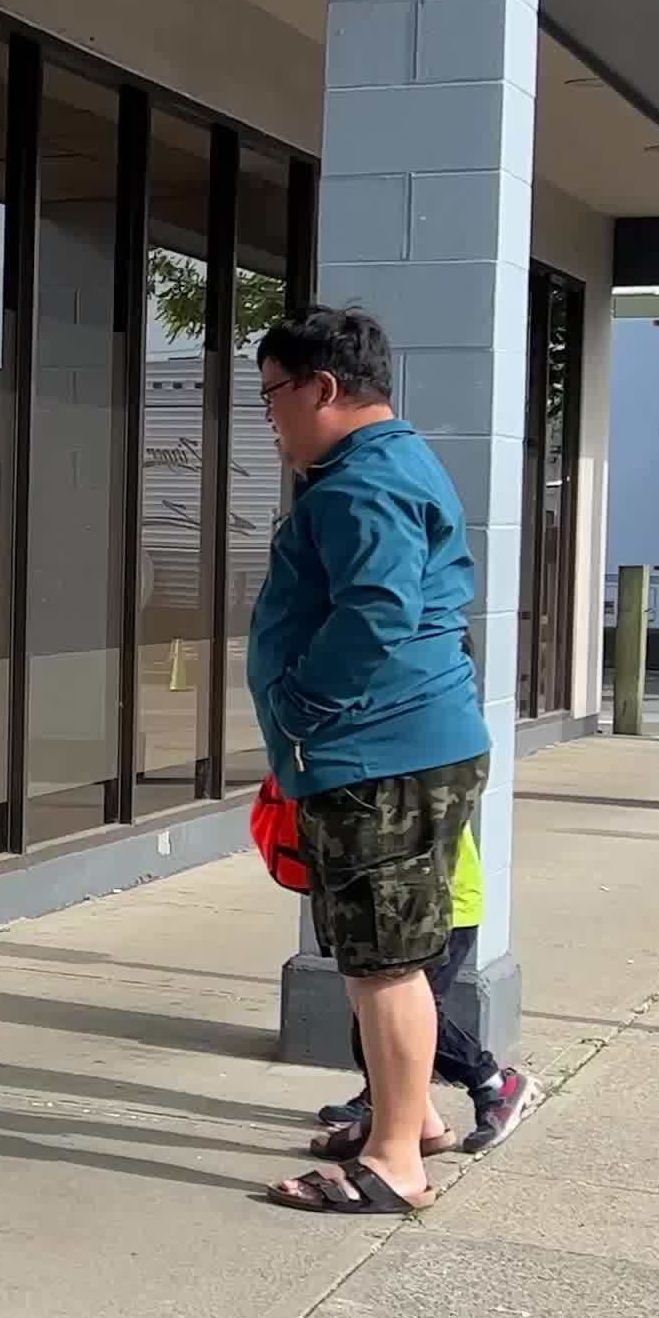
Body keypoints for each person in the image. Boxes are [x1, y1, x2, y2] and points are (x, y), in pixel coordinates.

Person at [243, 306, 491, 1216]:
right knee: (395, 953)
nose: (270, 417)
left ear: (324, 388)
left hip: (375, 754)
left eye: (274, 394)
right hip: (408, 745)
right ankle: (411, 1115)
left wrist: (301, 706)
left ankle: (394, 1162)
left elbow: (376, 612)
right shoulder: (395, 463)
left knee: (381, 961)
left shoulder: (358, 486)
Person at [302, 810, 538, 1158]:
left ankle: (494, 1084)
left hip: (439, 909)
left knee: (404, 1012)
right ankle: (391, 1106)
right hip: (398, 906)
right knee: (375, 1012)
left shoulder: (415, 773)